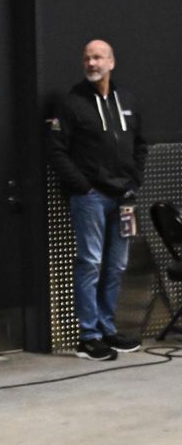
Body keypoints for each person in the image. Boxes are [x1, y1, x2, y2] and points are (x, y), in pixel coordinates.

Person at [49, 39, 147, 361]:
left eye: (98, 57)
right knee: (90, 263)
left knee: (116, 266)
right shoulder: (71, 102)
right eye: (87, 58)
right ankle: (88, 335)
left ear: (111, 62)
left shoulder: (127, 99)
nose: (92, 63)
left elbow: (140, 144)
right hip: (90, 198)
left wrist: (134, 181)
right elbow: (57, 149)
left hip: (124, 198)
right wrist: (83, 186)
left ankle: (108, 328)